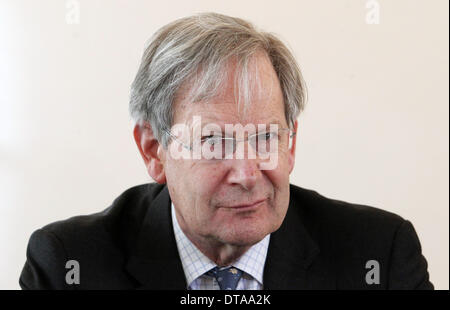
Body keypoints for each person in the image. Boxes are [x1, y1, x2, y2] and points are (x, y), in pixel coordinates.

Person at [19, 12, 433, 290]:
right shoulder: (68, 266)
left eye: (267, 137)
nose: (247, 173)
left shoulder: (380, 256)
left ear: (292, 145)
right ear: (154, 150)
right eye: (214, 141)